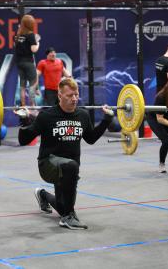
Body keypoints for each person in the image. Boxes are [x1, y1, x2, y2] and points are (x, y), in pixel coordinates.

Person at [17, 78, 114, 230]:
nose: (74, 98)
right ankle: (68, 218)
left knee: (63, 207)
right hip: (48, 164)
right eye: (69, 95)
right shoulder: (46, 116)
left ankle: (43, 195)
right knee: (71, 170)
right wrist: (24, 120)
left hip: (69, 171)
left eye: (76, 94)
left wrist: (107, 119)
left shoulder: (82, 115)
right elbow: (23, 140)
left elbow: (91, 139)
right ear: (60, 95)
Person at [14, 14, 40, 106]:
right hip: (28, 62)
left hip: (19, 62)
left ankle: (23, 105)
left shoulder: (17, 35)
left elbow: (15, 47)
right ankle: (32, 105)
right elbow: (34, 49)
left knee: (22, 86)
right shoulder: (31, 35)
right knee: (33, 83)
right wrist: (37, 43)